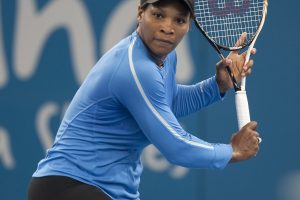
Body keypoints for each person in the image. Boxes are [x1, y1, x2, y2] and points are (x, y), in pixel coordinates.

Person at [28, 0, 261, 199]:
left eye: (178, 20)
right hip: (70, 188)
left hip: (99, 189)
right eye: (158, 15)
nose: (167, 28)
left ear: (188, 25)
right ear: (140, 13)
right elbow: (176, 147)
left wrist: (217, 85)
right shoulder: (136, 69)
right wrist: (231, 151)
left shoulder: (165, 58)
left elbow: (165, 103)